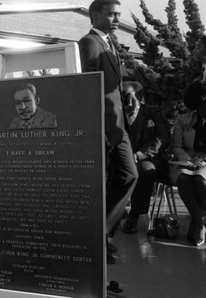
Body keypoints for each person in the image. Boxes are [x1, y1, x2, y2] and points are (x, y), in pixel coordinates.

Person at [78, 0, 138, 263]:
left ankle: (101, 234)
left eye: (118, 15)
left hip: (118, 127)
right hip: (101, 128)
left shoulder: (110, 43)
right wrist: (95, 128)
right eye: (112, 14)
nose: (117, 19)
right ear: (94, 15)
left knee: (129, 175)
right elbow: (89, 88)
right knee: (98, 188)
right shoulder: (89, 43)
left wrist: (129, 90)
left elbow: (112, 80)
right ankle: (96, 244)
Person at [170, 35, 206, 246]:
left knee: (200, 180)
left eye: (199, 45)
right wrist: (188, 158)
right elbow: (177, 146)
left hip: (204, 163)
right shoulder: (185, 119)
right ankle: (199, 222)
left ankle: (196, 223)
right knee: (184, 178)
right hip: (186, 160)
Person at [121, 81, 170, 233]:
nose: (125, 101)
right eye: (121, 96)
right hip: (123, 158)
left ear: (140, 96)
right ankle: (115, 212)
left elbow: (162, 138)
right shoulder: (116, 115)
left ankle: (134, 214)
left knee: (144, 171)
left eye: (128, 96)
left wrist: (139, 155)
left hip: (150, 159)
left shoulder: (154, 113)